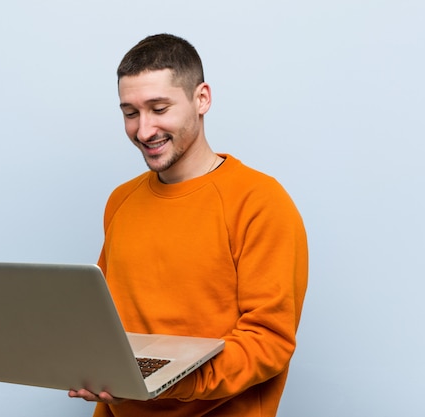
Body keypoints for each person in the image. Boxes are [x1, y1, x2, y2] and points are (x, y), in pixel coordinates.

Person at [69, 33, 308, 417]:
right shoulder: (121, 201)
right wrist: (91, 366)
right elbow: (109, 323)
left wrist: (165, 380)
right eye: (130, 113)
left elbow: (269, 342)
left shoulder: (260, 201)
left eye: (159, 108)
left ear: (202, 99)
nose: (144, 131)